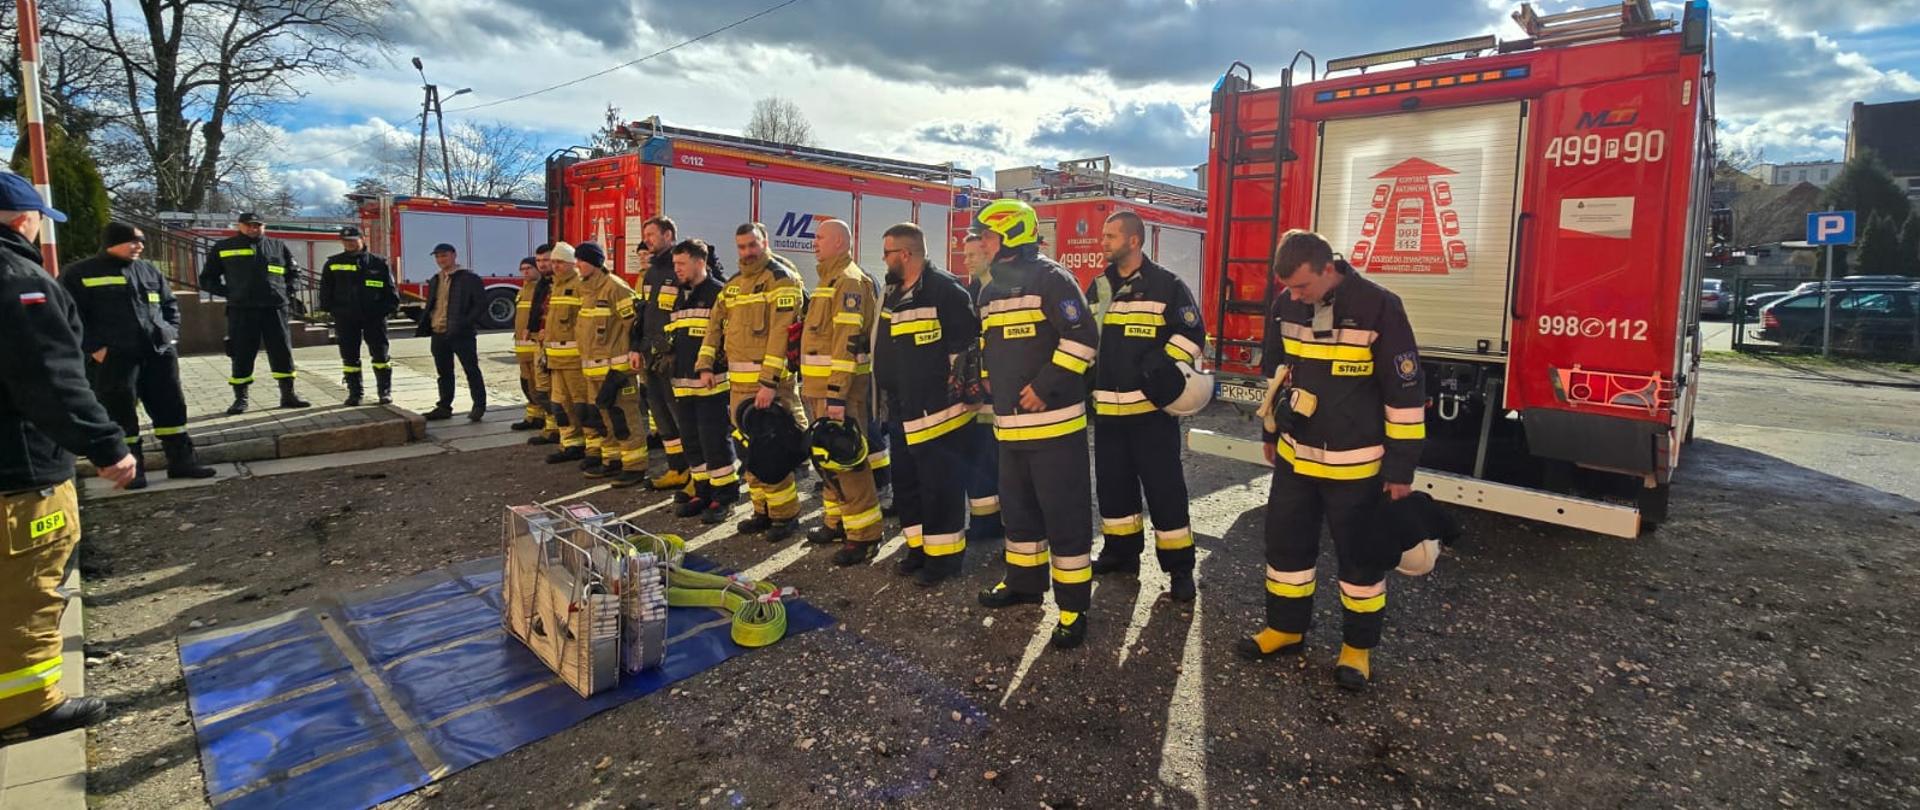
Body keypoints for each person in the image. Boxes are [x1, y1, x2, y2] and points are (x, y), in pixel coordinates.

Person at [1243, 229, 1426, 692]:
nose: (1295, 295)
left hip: (1357, 466)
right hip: (1295, 460)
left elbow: (1405, 395)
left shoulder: (1380, 306)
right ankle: (1285, 629)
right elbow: (1278, 374)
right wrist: (1269, 429)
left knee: (1360, 563)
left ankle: (1356, 650)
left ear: (1329, 268)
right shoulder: (1287, 304)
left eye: (1303, 285)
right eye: (1288, 287)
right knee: (1285, 551)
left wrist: (1401, 468)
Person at [0, 175, 140, 745]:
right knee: (27, 580)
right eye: (37, 219)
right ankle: (25, 706)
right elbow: (50, 378)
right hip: (17, 467)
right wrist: (107, 445)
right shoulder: (19, 281)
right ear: (20, 219)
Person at [971, 199, 1100, 650]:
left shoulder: (1051, 278)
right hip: (1010, 429)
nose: (980, 243)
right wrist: (986, 384)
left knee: (1065, 519)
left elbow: (1084, 339)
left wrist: (1046, 385)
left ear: (1010, 235)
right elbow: (994, 350)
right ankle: (1024, 583)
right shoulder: (989, 291)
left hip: (1054, 428)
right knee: (1019, 514)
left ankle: (1073, 606)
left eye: (986, 235)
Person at [1083, 211, 1207, 602]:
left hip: (1150, 414)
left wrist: (1159, 366)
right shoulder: (1099, 286)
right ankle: (1121, 553)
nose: (1102, 242)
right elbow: (1086, 338)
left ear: (1133, 241)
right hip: (1108, 413)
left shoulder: (1166, 285)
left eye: (1110, 236)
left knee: (1165, 491)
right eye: (1102, 235)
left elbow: (1192, 334)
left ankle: (1180, 569)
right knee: (1113, 489)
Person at [61, 222, 217, 489]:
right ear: (111, 242)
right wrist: (95, 348)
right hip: (114, 358)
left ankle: (182, 462)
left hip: (157, 352)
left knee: (170, 407)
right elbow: (68, 315)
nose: (140, 246)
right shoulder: (79, 273)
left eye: (142, 241)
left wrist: (169, 333)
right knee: (120, 412)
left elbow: (169, 305)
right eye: (133, 241)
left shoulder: (148, 271)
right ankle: (134, 471)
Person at [873, 222, 979, 585]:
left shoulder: (945, 291)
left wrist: (947, 401)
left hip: (939, 415)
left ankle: (945, 560)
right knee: (908, 485)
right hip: (903, 411)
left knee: (941, 488)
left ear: (905, 254)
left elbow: (965, 354)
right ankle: (918, 549)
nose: (883, 259)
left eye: (887, 252)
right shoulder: (893, 291)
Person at [696, 223, 805, 542]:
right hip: (739, 389)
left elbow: (782, 336)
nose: (747, 252)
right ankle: (762, 510)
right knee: (750, 452)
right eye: (741, 246)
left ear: (765, 242)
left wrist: (769, 384)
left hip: (769, 388)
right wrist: (705, 364)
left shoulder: (781, 280)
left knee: (772, 451)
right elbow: (714, 326)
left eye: (752, 245)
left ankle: (785, 516)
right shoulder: (732, 285)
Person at [797, 219, 883, 566]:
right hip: (820, 389)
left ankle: (864, 535)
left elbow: (846, 345)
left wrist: (836, 395)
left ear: (839, 243)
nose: (814, 242)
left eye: (820, 237)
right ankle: (836, 521)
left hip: (840, 394)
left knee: (849, 462)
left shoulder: (849, 280)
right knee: (827, 459)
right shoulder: (827, 279)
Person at [660, 239, 738, 523]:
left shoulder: (719, 294)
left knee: (714, 440)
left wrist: (711, 366)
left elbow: (727, 339)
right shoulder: (681, 295)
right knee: (692, 442)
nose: (677, 269)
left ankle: (725, 496)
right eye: (675, 264)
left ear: (699, 262)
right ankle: (703, 491)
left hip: (711, 384)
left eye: (682, 264)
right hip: (682, 382)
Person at [199, 212, 308, 413]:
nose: (253, 228)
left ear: (263, 226)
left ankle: (288, 395)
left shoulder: (277, 246)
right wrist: (231, 293)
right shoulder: (224, 247)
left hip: (274, 309)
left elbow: (294, 274)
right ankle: (241, 399)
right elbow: (207, 279)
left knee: (282, 352)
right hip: (242, 310)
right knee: (241, 353)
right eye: (248, 225)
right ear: (239, 226)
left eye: (257, 225)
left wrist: (286, 292)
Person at [572, 242, 646, 485]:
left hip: (616, 372)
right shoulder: (587, 290)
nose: (577, 265)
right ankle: (612, 461)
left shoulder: (615, 288)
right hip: (594, 370)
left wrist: (626, 367)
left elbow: (635, 327)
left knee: (624, 419)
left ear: (594, 263)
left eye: (581, 260)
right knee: (604, 419)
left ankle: (634, 466)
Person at [634, 217, 691, 491]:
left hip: (674, 358)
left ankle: (696, 471)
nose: (647, 240)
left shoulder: (680, 268)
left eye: (652, 234)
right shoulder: (651, 273)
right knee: (661, 415)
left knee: (681, 416)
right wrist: (637, 347)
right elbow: (643, 313)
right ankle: (676, 468)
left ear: (669, 235)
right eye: (645, 235)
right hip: (651, 356)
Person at [317, 225, 399, 406]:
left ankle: (384, 392)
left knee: (380, 355)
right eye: (346, 241)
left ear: (362, 240)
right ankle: (355, 393)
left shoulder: (378, 262)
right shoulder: (332, 263)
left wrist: (386, 310)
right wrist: (334, 311)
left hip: (374, 317)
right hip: (346, 318)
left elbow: (390, 291)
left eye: (353, 240)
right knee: (349, 357)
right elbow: (325, 291)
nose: (350, 244)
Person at [958, 233, 1003, 542]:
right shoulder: (973, 289)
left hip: (998, 389)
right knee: (979, 456)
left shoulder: (999, 289)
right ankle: (985, 523)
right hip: (979, 389)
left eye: (973, 254)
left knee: (994, 457)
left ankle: (998, 522)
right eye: (965, 255)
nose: (968, 260)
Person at [414, 243, 486, 422]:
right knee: (444, 372)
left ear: (454, 255)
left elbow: (480, 304)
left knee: (471, 370)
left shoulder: (469, 278)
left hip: (462, 333)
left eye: (444, 256)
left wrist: (465, 323)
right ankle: (444, 406)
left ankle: (479, 405)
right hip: (439, 332)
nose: (440, 260)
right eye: (437, 257)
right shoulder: (436, 279)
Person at [542, 242, 597, 464]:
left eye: (560, 262)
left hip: (574, 360)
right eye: (553, 262)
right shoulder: (556, 285)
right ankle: (571, 444)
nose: (555, 266)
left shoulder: (580, 285)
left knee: (581, 405)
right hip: (556, 360)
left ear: (571, 263)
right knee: (560, 406)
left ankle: (592, 446)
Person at [510, 248, 555, 435]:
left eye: (529, 267)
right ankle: (533, 416)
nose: (526, 271)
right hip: (523, 349)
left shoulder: (542, 288)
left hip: (536, 346)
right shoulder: (522, 290)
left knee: (543, 386)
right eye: (523, 268)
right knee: (527, 385)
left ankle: (548, 420)